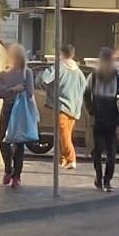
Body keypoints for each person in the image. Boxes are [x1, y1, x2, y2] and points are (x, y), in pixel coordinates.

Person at [85, 48, 119, 192]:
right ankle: (99, 178)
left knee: (111, 152)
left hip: (111, 118)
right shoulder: (93, 77)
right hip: (98, 118)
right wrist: (91, 111)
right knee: (97, 150)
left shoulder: (117, 77)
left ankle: (107, 180)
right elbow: (86, 95)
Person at [0, 43, 34, 187]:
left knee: (19, 143)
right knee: (2, 141)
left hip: (20, 111)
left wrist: (14, 90)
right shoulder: (3, 74)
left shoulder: (27, 73)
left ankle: (17, 175)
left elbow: (30, 92)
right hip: (7, 109)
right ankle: (8, 169)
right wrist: (13, 89)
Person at [45, 44, 87, 172]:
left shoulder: (60, 67)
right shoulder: (79, 72)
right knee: (65, 134)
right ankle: (62, 159)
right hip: (74, 109)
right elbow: (84, 89)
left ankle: (71, 158)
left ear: (61, 53)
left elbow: (46, 78)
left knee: (64, 134)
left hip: (61, 106)